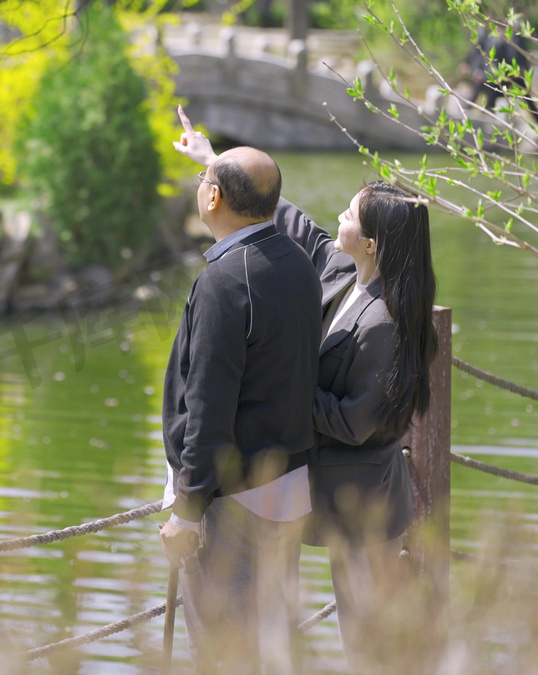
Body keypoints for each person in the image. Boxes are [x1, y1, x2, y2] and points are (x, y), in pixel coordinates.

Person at [173, 106, 438, 670]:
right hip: (316, 489)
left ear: (371, 242)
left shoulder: (387, 321)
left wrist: (279, 388)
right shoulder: (341, 272)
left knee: (369, 641)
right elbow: (277, 218)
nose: (336, 217)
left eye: (349, 213)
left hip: (361, 503)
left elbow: (355, 421)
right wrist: (212, 159)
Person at [158, 124, 323, 674]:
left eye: (206, 178)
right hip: (287, 488)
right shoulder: (298, 263)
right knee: (270, 645)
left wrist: (187, 509)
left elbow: (209, 404)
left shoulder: (226, 282)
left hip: (235, 503)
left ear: (212, 198)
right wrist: (209, 159)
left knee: (223, 650)